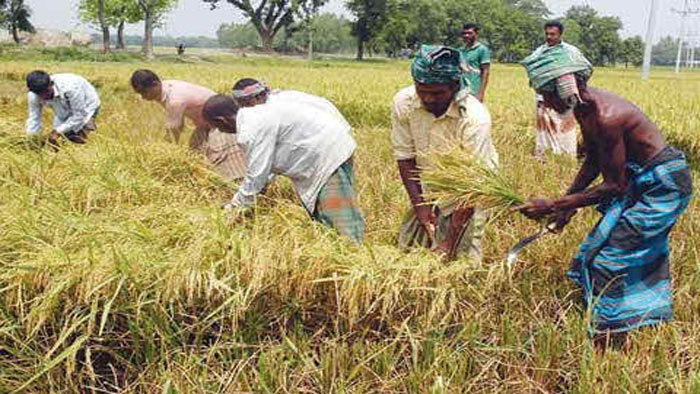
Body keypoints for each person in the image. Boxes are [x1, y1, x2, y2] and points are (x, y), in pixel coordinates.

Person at [518, 45, 693, 342]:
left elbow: (614, 185)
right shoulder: (585, 110)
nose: (545, 101)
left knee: (613, 259)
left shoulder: (606, 115)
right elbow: (594, 161)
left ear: (565, 87)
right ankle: (625, 315)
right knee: (600, 247)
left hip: (663, 186)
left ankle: (611, 333)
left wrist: (552, 204)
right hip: (641, 179)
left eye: (547, 93)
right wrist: (566, 206)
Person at [201, 94, 365, 243]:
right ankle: (337, 248)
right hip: (320, 154)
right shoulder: (255, 117)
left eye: (216, 126)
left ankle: (353, 255)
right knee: (324, 210)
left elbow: (256, 175)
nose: (219, 131)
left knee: (338, 212)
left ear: (221, 120)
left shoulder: (252, 128)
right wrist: (257, 191)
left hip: (327, 153)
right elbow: (265, 169)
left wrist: (234, 207)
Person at [392, 45, 499, 262]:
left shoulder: (474, 118)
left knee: (463, 259)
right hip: (429, 185)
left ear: (454, 86)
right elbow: (405, 158)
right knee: (409, 252)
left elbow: (471, 185)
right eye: (422, 91)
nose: (429, 99)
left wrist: (448, 243)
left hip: (472, 189)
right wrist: (421, 208)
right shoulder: (404, 102)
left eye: (438, 93)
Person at [129, 69, 246, 181]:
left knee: (220, 154)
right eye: (140, 93)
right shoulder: (166, 88)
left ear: (155, 84)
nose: (143, 97)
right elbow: (178, 125)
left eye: (144, 92)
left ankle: (234, 181)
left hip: (221, 123)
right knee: (194, 154)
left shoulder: (175, 98)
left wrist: (165, 152)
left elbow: (174, 128)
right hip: (204, 124)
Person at [532, 21, 581, 160]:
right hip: (544, 98)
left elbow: (581, 71)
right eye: (547, 34)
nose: (549, 37)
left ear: (560, 34)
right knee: (544, 128)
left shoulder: (570, 51)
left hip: (565, 99)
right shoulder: (539, 52)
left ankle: (566, 157)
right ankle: (543, 157)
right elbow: (534, 72)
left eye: (552, 34)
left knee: (566, 129)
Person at [25, 70, 101, 146]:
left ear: (51, 84)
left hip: (86, 106)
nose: (44, 96)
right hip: (61, 110)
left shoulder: (71, 88)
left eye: (46, 92)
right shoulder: (33, 95)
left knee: (78, 138)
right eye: (39, 94)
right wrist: (32, 139)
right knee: (57, 141)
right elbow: (34, 118)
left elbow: (79, 115)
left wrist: (57, 132)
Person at [458, 23, 491, 102]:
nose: (466, 35)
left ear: (476, 34)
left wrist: (480, 93)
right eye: (464, 33)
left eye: (469, 33)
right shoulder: (460, 51)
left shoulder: (482, 50)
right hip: (460, 90)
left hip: (474, 90)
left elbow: (485, 72)